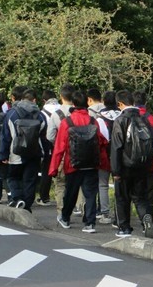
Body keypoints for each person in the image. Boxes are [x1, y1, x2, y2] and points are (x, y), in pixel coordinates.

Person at [48, 90, 109, 233]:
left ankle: (65, 218)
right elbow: (100, 142)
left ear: (74, 104)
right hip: (91, 164)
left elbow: (59, 148)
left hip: (72, 164)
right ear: (86, 103)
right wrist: (104, 163)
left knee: (71, 192)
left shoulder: (67, 122)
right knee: (90, 194)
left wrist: (53, 168)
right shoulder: (93, 121)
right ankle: (90, 223)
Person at [111, 90, 153, 237]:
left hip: (125, 166)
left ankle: (124, 228)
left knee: (122, 198)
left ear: (120, 104)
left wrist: (116, 171)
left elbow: (117, 147)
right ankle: (145, 219)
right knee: (140, 197)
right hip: (142, 165)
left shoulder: (120, 120)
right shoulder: (144, 119)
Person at [0, 87, 48, 211]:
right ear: (34, 100)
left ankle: (17, 198)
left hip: (16, 153)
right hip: (35, 153)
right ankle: (27, 205)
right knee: (30, 180)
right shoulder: (41, 116)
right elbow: (44, 138)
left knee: (12, 177)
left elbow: (6, 136)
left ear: (21, 99)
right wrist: (45, 154)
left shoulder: (11, 114)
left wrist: (3, 154)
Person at [46, 83, 74, 221]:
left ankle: (61, 212)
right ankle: (80, 209)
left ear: (61, 96)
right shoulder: (82, 112)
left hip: (62, 154)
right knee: (77, 184)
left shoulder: (56, 115)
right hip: (79, 154)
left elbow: (50, 136)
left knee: (60, 183)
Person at [87, 87, 113, 224]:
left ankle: (105, 213)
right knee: (121, 186)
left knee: (102, 185)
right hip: (121, 156)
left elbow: (100, 138)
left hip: (104, 155)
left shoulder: (99, 118)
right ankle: (122, 216)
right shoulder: (121, 114)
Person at [134, 90, 153, 226]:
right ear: (145, 102)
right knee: (149, 192)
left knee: (136, 193)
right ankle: (151, 218)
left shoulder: (131, 117)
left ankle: (143, 218)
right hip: (151, 162)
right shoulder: (152, 119)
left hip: (134, 163)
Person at [36, 88, 59, 207]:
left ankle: (44, 197)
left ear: (44, 100)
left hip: (47, 145)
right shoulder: (62, 109)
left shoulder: (42, 112)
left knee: (47, 171)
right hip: (63, 144)